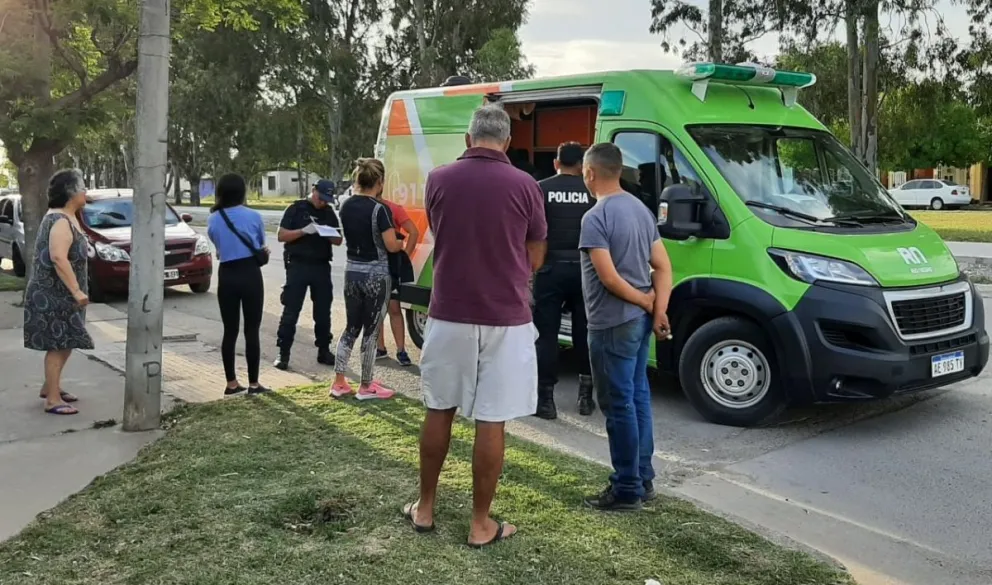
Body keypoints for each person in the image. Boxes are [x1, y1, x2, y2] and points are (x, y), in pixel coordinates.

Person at [405, 105, 547, 547]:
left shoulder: (440, 179)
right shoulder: (526, 185)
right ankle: (480, 523)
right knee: (492, 419)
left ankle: (425, 508)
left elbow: (444, 232)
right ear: (507, 143)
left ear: (468, 140)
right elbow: (536, 252)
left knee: (439, 407)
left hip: (448, 312)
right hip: (506, 316)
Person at [578, 142, 673, 512]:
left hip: (611, 323)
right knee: (637, 399)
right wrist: (658, 309)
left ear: (590, 173)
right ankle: (643, 477)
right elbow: (663, 267)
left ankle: (627, 488)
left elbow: (609, 278)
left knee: (618, 405)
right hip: (637, 322)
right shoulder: (640, 210)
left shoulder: (595, 217)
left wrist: (647, 301)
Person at [330, 159, 404, 400]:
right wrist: (403, 243)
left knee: (351, 327)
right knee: (371, 331)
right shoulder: (379, 209)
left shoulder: (346, 205)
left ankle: (339, 381)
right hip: (376, 274)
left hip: (352, 271)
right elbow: (391, 245)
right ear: (380, 183)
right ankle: (366, 384)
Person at [533, 142, 596, 420]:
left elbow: (532, 231)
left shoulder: (541, 188)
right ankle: (586, 396)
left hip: (550, 269)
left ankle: (545, 399)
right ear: (583, 165)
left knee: (546, 335)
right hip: (586, 269)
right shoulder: (592, 190)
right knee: (585, 332)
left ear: (556, 163)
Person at [23, 169, 94, 415]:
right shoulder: (60, 220)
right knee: (58, 344)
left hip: (63, 295)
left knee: (67, 341)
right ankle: (52, 399)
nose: (86, 190)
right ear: (70, 192)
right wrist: (76, 290)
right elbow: (57, 257)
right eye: (82, 186)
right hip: (54, 295)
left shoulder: (67, 216)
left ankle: (50, 386)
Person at [207, 173, 270, 396]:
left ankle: (231, 383)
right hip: (250, 273)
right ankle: (254, 384)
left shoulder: (214, 218)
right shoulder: (253, 216)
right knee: (251, 329)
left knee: (230, 330)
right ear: (243, 192)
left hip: (227, 274)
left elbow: (216, 242)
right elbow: (260, 243)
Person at [274, 180, 343, 370]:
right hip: (298, 265)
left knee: (322, 312)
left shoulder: (328, 213)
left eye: (326, 200)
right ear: (313, 191)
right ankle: (283, 352)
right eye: (321, 198)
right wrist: (303, 231)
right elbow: (281, 235)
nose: (323, 203)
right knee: (291, 310)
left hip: (321, 266)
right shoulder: (296, 209)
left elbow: (338, 239)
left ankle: (323, 350)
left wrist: (326, 233)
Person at [375, 193, 419, 366]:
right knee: (378, 308)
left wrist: (404, 256)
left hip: (390, 265)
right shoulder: (364, 207)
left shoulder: (393, 208)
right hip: (373, 264)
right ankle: (380, 348)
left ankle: (401, 350)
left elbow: (413, 232)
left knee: (393, 307)